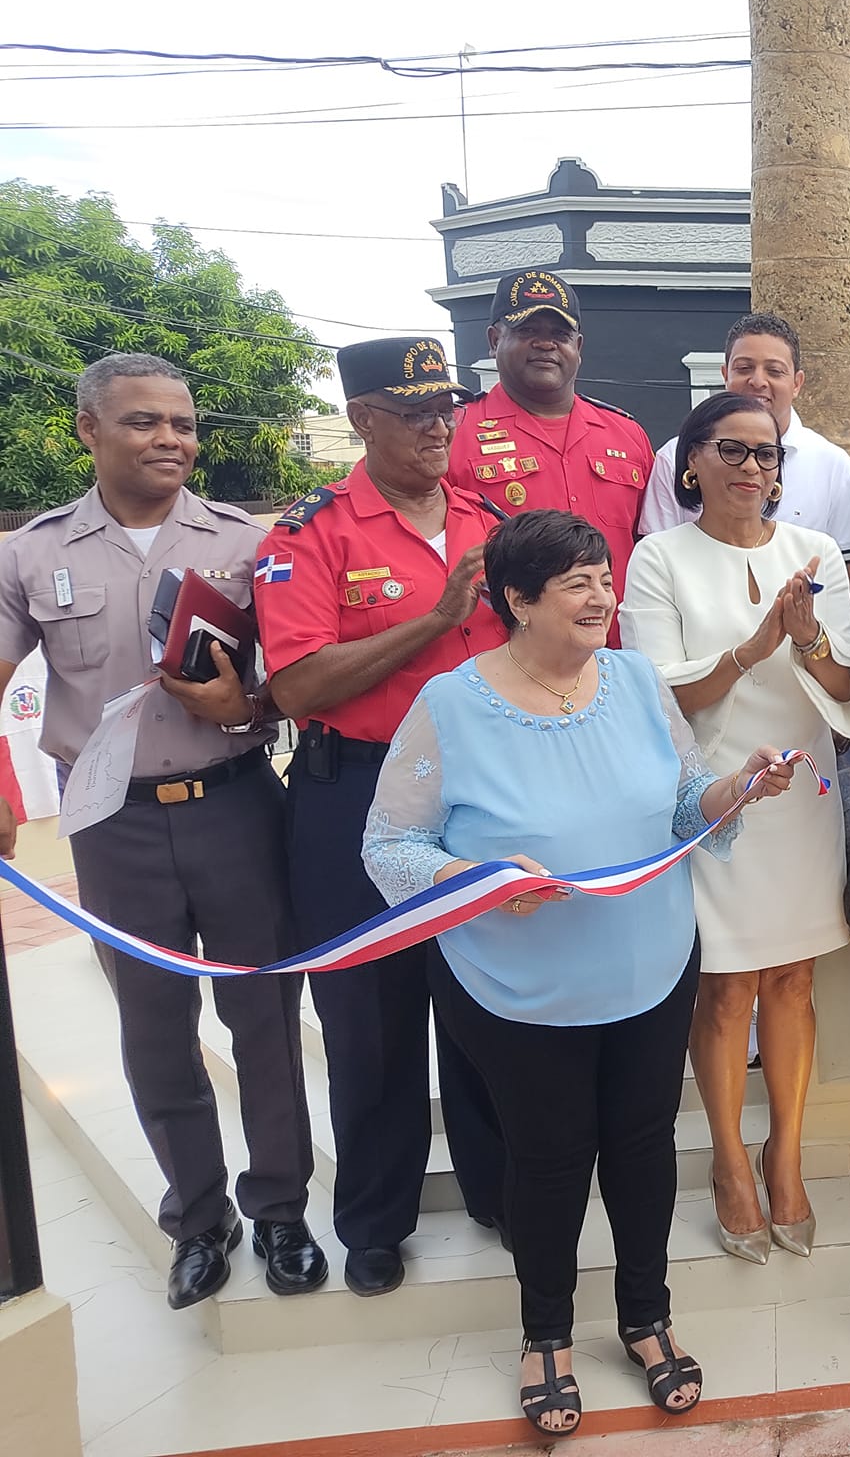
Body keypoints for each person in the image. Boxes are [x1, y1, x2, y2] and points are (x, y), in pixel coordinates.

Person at [363, 509, 797, 1435]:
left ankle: (647, 1319)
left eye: (605, 577)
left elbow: (687, 804)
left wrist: (740, 788)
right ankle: (547, 1337)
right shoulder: (449, 704)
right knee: (549, 1159)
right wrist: (474, 881)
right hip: (518, 989)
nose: (602, 597)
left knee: (643, 1147)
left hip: (649, 967)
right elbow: (391, 845)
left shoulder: (637, 681)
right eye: (577, 583)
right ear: (518, 600)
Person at [0, 353, 321, 1310]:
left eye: (182, 423)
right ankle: (199, 1218)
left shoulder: (245, 542)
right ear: (89, 429)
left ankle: (281, 1210)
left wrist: (245, 705)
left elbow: (294, 678)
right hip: (113, 824)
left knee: (264, 1018)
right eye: (143, 422)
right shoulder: (32, 554)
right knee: (153, 1026)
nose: (170, 440)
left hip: (237, 805)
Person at [255, 337, 509, 1298]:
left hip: (480, 794)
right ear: (361, 418)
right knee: (368, 1020)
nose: (438, 426)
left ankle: (501, 1193)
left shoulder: (490, 520)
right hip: (354, 793)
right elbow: (297, 684)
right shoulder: (312, 532)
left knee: (487, 998)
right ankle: (373, 1222)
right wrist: (437, 618)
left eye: (445, 408)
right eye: (413, 412)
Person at [619, 391, 850, 1264]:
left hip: (798, 793)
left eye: (767, 453)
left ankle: (786, 1155)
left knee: (795, 981)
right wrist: (751, 649)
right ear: (691, 463)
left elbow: (845, 691)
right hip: (713, 797)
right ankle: (730, 1162)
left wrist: (806, 643)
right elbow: (658, 697)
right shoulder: (659, 557)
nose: (752, 467)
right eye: (731, 449)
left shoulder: (814, 552)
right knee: (727, 988)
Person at [449, 270, 654, 635]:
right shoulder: (452, 434)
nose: (545, 344)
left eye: (560, 335)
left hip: (616, 649)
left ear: (578, 347)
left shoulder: (626, 435)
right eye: (527, 331)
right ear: (494, 340)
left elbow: (652, 546)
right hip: (507, 650)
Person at [641, 312, 850, 605]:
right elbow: (655, 565)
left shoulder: (833, 467)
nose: (758, 381)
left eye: (774, 371)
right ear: (725, 374)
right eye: (744, 368)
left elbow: (849, 582)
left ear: (797, 383)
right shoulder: (675, 457)